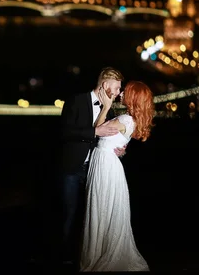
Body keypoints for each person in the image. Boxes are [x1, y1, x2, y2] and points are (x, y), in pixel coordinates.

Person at [80, 80, 154, 272]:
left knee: (101, 206)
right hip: (107, 163)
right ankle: (98, 251)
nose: (121, 94)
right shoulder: (128, 119)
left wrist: (106, 106)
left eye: (125, 92)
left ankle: (98, 255)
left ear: (133, 97)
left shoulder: (125, 120)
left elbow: (97, 129)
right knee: (102, 207)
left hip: (106, 165)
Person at [59, 67, 127, 266]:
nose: (117, 93)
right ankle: (63, 258)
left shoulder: (112, 109)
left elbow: (112, 138)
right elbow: (64, 132)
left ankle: (84, 257)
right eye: (116, 88)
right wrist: (94, 131)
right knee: (68, 214)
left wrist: (121, 150)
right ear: (105, 85)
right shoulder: (76, 100)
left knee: (89, 215)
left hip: (95, 170)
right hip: (71, 168)